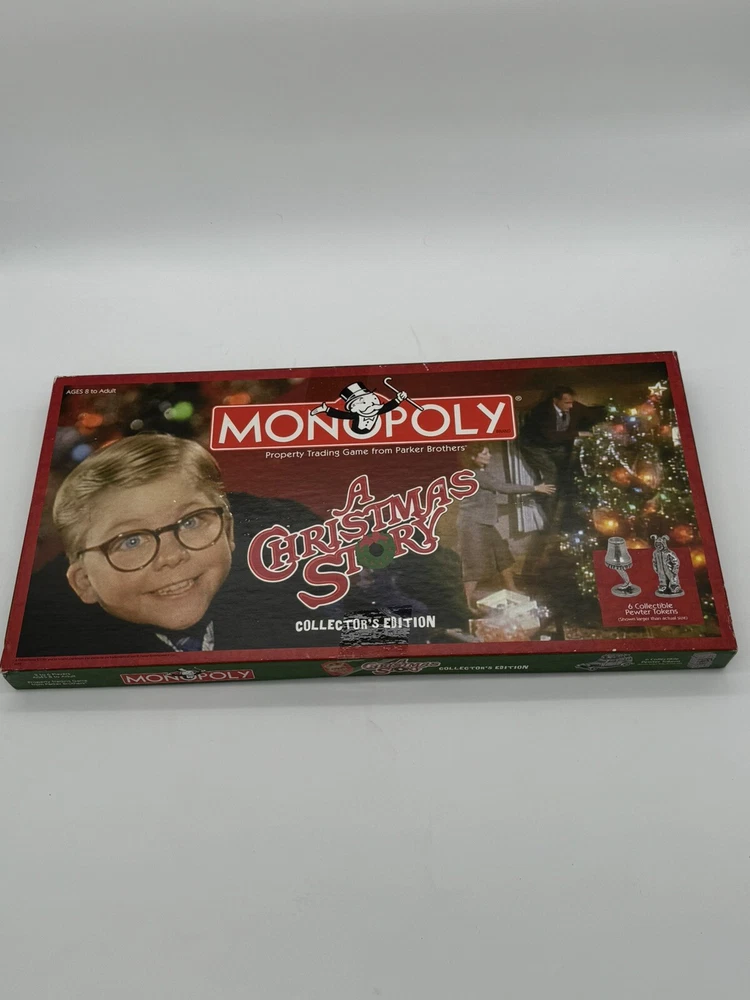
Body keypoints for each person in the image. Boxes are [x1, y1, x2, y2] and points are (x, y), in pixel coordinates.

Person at [16, 434, 356, 656]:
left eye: (190, 522)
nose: (172, 556)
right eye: (130, 541)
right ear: (85, 582)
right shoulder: (46, 637)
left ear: (228, 531)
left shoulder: (295, 566)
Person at [456, 443, 555, 614]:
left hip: (484, 523)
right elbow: (503, 487)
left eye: (488, 452)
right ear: (473, 458)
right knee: (474, 565)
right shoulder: (476, 475)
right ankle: (464, 605)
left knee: (502, 554)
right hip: (472, 525)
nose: (489, 456)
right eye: (484, 454)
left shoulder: (481, 473)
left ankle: (511, 588)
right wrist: (535, 488)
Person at [519, 385, 605, 490]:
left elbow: (592, 415)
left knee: (568, 466)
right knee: (551, 470)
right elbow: (550, 435)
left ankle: (565, 494)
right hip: (534, 446)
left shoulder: (574, 407)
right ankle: (547, 497)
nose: (571, 406)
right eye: (567, 403)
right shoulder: (542, 411)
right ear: (555, 400)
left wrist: (606, 424)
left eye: (572, 402)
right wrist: (578, 433)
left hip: (554, 445)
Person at [310, 381, 407, 435]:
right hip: (356, 430)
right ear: (353, 407)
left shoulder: (376, 409)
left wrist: (399, 398)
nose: (372, 402)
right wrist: (326, 409)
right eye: (363, 401)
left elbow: (388, 407)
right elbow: (342, 415)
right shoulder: (356, 415)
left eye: (372, 397)